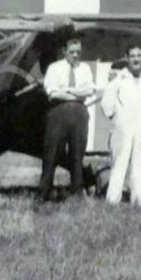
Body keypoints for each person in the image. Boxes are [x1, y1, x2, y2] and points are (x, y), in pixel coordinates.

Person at [100, 44, 141, 206]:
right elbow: (107, 104)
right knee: (119, 162)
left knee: (139, 162)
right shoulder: (119, 79)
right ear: (127, 58)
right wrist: (117, 118)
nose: (136, 59)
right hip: (122, 126)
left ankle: (137, 200)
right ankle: (113, 200)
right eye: (132, 56)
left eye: (139, 56)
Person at [38, 37, 94, 201]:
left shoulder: (85, 69)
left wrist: (67, 90)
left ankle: (76, 191)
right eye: (72, 52)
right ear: (64, 52)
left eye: (78, 52)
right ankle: (44, 192)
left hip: (79, 113)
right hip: (58, 112)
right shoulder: (54, 68)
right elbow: (53, 93)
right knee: (52, 153)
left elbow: (89, 91)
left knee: (77, 153)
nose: (75, 55)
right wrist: (76, 92)